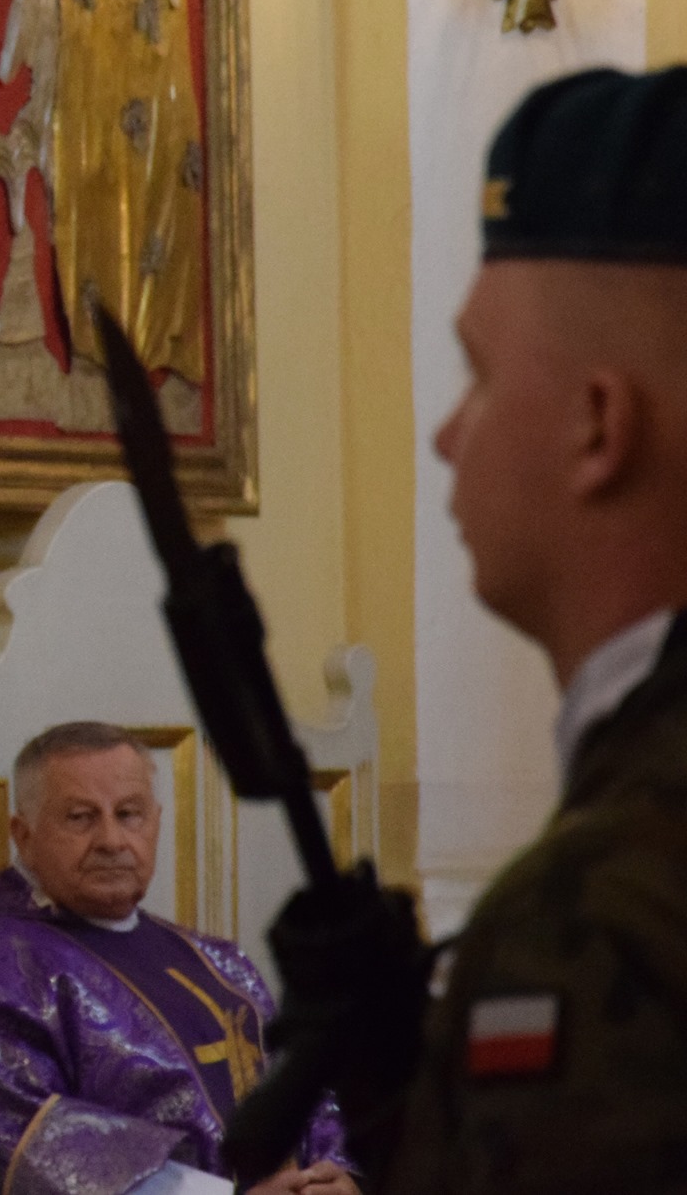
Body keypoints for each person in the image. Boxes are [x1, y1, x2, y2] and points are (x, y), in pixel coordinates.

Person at [264, 65, 687, 1193]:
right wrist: (407, 1092)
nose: (449, 434)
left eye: (480, 375)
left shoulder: (600, 905)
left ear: (598, 425)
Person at [0, 722, 356, 1195]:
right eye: (80, 817)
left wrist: (339, 1173)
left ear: (156, 822)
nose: (111, 840)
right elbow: (24, 1146)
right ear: (23, 836)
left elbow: (303, 1082)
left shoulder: (216, 961)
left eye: (129, 814)